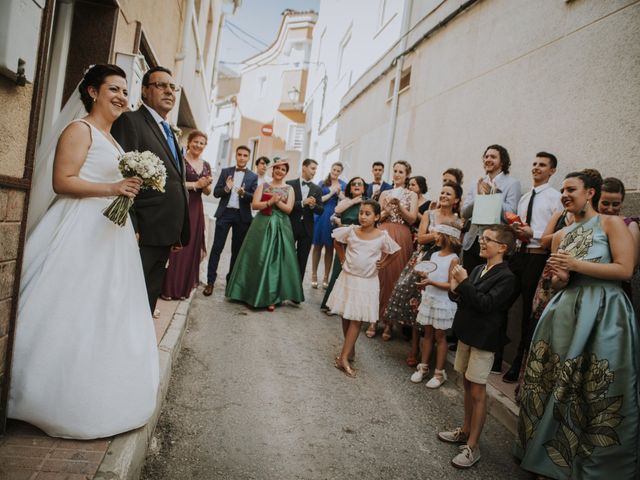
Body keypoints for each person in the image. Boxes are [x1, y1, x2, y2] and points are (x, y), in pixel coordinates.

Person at [9, 64, 159, 439]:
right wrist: (114, 189)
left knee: (106, 310)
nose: (122, 96)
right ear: (92, 91)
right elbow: (63, 181)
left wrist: (126, 191)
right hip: (78, 228)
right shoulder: (80, 129)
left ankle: (101, 391)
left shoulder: (114, 139)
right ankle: (36, 393)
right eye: (114, 88)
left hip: (111, 235)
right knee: (66, 305)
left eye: (126, 90)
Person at [515, 171, 639, 479]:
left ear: (591, 193)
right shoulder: (560, 236)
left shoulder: (612, 224)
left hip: (604, 312)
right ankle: (547, 457)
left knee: (594, 388)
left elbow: (625, 269)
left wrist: (576, 265)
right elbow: (558, 282)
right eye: (563, 190)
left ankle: (591, 465)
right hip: (565, 313)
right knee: (553, 382)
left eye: (572, 189)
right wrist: (561, 277)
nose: (565, 194)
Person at [111, 65, 190, 313]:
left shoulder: (170, 131)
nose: (168, 91)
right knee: (128, 295)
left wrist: (178, 229)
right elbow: (121, 174)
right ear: (145, 91)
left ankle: (137, 349)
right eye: (161, 85)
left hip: (165, 232)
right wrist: (132, 226)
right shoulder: (130, 121)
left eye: (172, 87)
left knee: (148, 296)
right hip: (142, 231)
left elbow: (176, 181)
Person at [438, 224, 517, 469]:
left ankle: (473, 447)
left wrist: (464, 284)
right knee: (466, 383)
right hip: (467, 334)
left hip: (484, 340)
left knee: (477, 391)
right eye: (482, 238)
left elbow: (486, 304)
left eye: (488, 240)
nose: (482, 242)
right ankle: (464, 430)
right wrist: (455, 287)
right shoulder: (480, 268)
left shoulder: (508, 277)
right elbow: (465, 297)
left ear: (502, 247)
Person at [384, 181, 463, 364]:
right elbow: (420, 237)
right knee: (415, 305)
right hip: (424, 259)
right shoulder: (428, 213)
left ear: (456, 199)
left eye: (448, 194)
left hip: (444, 264)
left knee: (435, 304)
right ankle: (414, 350)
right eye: (442, 192)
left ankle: (431, 354)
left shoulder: (458, 220)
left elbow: (457, 244)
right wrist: (437, 235)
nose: (443, 196)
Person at [502, 152, 562, 383]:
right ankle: (495, 355)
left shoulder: (556, 197)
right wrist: (517, 232)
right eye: (534, 163)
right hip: (518, 255)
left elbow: (556, 231)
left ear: (552, 171)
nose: (536, 168)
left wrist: (533, 234)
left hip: (538, 257)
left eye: (543, 165)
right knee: (502, 302)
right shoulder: (525, 197)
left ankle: (519, 362)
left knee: (529, 311)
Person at [461, 144, 521, 373]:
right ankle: (465, 339)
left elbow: (511, 213)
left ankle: (492, 354)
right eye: (485, 156)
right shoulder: (477, 182)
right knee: (469, 289)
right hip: (474, 242)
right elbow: (465, 212)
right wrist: (479, 195)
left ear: (502, 161)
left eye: (493, 156)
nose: (488, 159)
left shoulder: (511, 183)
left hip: (495, 244)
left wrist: (493, 194)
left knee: (491, 298)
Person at [327, 200, 400, 377]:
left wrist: (384, 262)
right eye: (361, 213)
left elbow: (395, 251)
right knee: (345, 315)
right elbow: (337, 241)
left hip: (367, 282)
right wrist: (342, 258)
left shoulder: (381, 236)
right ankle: (349, 350)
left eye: (367, 214)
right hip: (349, 278)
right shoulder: (351, 230)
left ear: (376, 217)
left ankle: (343, 358)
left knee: (357, 319)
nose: (363, 216)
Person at [225, 159, 303, 310]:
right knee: (257, 258)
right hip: (262, 224)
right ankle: (249, 293)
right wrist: (269, 202)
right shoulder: (263, 186)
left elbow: (288, 209)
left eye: (283, 169)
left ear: (286, 172)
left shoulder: (289, 189)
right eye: (277, 168)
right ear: (273, 170)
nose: (280, 171)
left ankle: (272, 297)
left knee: (277, 261)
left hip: (281, 226)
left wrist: (277, 202)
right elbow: (254, 205)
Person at [367, 160, 418, 340]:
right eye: (395, 171)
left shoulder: (411, 195)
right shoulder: (384, 193)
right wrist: (387, 210)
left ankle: (388, 323)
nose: (397, 174)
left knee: (394, 277)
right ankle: (373, 319)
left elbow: (412, 220)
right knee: (379, 275)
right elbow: (378, 217)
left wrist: (400, 206)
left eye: (401, 172)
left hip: (402, 235)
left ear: (407, 175)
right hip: (384, 231)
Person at [160, 131, 213, 300]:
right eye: (195, 142)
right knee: (176, 246)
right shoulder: (180, 161)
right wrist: (196, 184)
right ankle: (168, 289)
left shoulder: (206, 165)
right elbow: (173, 183)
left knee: (190, 246)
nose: (198, 145)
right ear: (189, 143)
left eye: (202, 143)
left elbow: (207, 191)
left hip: (196, 208)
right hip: (180, 205)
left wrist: (204, 185)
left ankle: (183, 289)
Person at [411, 221, 462, 388]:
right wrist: (424, 275)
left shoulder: (454, 259)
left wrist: (430, 282)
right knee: (427, 334)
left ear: (448, 237)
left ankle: (439, 373)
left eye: (439, 234)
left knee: (440, 336)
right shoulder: (434, 255)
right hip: (430, 298)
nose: (435, 237)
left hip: (443, 301)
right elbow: (431, 274)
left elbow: (451, 285)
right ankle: (423, 367)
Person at [203, 145, 258, 296]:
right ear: (236, 155)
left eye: (245, 155)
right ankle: (210, 282)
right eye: (239, 154)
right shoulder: (226, 172)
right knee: (217, 248)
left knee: (237, 251)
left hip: (242, 216)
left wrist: (243, 193)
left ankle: (231, 283)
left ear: (248, 158)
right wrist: (226, 188)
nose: (242, 157)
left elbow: (254, 197)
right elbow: (215, 193)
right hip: (225, 213)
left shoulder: (253, 177)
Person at [321, 177, 367, 310]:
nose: (357, 186)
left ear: (364, 188)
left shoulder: (367, 202)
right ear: (350, 188)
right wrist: (353, 201)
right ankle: (331, 304)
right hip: (344, 241)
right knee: (338, 271)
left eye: (360, 184)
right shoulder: (347, 201)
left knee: (354, 274)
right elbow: (338, 209)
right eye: (354, 184)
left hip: (360, 242)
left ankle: (349, 305)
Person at [311, 162, 346, 288]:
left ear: (340, 172)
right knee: (317, 246)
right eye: (334, 169)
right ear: (330, 169)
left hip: (333, 216)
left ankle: (326, 276)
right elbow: (319, 199)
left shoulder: (343, 184)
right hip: (321, 214)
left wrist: (339, 193)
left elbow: (345, 200)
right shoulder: (322, 183)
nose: (335, 172)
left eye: (338, 170)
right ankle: (314, 274)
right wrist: (331, 193)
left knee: (330, 247)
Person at [288, 158, 324, 279]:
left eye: (315, 169)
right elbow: (286, 205)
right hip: (290, 226)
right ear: (304, 167)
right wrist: (303, 203)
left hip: (307, 229)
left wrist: (314, 206)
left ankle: (296, 291)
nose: (314, 172)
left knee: (302, 260)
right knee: (286, 257)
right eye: (312, 168)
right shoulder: (289, 184)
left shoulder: (317, 189)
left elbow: (321, 210)